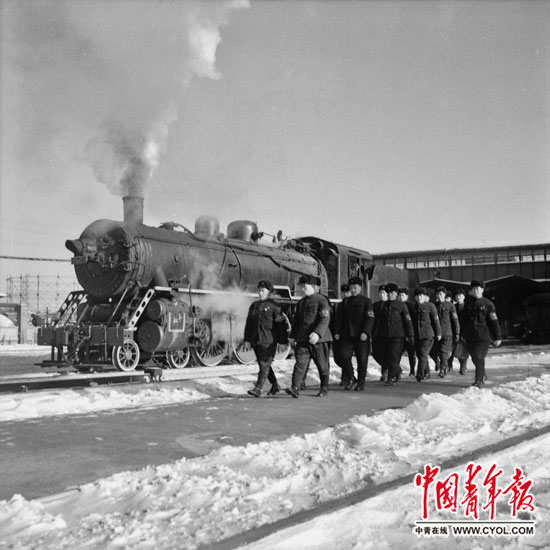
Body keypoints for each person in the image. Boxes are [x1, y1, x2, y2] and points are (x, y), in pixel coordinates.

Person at [286, 274, 332, 397]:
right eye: (301, 286)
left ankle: (324, 387)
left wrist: (317, 333)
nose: (302, 289)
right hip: (303, 339)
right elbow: (296, 322)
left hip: (319, 340)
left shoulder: (322, 300)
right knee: (300, 364)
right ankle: (295, 387)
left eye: (304, 287)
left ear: (312, 286)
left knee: (322, 365)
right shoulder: (301, 302)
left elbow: (325, 319)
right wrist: (293, 336)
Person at [243, 280, 288, 397]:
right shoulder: (254, 306)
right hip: (256, 340)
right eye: (259, 290)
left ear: (269, 292)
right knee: (264, 365)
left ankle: (258, 388)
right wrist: (247, 340)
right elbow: (248, 324)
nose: (260, 293)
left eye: (262, 291)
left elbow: (281, 326)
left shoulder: (275, 307)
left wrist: (283, 342)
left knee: (264, 364)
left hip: (269, 341)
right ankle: (275, 385)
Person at [334, 276, 375, 391]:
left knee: (362, 360)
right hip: (347, 335)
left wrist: (366, 332)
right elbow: (339, 319)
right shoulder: (345, 302)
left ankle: (361, 383)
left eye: (355, 288)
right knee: (343, 355)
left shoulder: (366, 301)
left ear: (360, 288)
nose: (352, 290)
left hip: (361, 336)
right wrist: (337, 331)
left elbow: (370, 318)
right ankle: (351, 377)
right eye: (351, 288)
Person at [463, 280, 502, 387]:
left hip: (483, 336)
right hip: (470, 336)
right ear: (471, 290)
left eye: (478, 289)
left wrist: (497, 337)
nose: (476, 291)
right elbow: (464, 320)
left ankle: (478, 380)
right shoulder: (467, 303)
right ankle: (483, 375)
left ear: (482, 290)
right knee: (474, 358)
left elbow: (494, 321)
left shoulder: (488, 304)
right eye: (474, 289)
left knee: (478, 356)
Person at [376, 283, 414, 385]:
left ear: (396, 293)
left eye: (392, 293)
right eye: (388, 293)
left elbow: (408, 321)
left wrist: (410, 335)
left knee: (393, 356)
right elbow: (379, 321)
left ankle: (391, 377)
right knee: (386, 357)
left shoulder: (401, 305)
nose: (389, 295)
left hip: (397, 336)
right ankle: (397, 372)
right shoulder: (383, 305)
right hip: (384, 335)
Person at [411, 287, 442, 382]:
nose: (419, 298)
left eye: (421, 295)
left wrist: (439, 333)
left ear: (425, 297)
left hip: (428, 335)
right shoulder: (414, 307)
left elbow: (436, 321)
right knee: (420, 354)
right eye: (417, 296)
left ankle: (419, 374)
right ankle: (427, 372)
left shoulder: (430, 306)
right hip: (417, 335)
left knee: (423, 354)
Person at [429, 286, 460, 378]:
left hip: (447, 333)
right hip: (435, 333)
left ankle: (443, 369)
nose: (439, 296)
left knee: (443, 352)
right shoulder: (433, 305)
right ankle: (437, 363)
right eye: (437, 294)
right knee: (433, 351)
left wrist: (457, 333)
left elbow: (455, 320)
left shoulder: (450, 306)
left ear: (445, 295)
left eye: (441, 294)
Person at [333, 284, 352, 386]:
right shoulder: (339, 305)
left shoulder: (353, 304)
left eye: (347, 292)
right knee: (340, 357)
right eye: (343, 292)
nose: (345, 294)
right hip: (340, 334)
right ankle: (349, 376)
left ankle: (347, 377)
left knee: (346, 356)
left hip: (350, 335)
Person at [448, 288, 469, 374]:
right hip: (453, 331)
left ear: (464, 296)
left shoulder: (468, 307)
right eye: (457, 295)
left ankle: (463, 367)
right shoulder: (453, 307)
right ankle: (449, 366)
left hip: (464, 330)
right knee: (450, 349)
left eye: (460, 295)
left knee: (462, 350)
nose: (458, 297)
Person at [398, 287, 417, 377]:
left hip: (409, 333)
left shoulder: (411, 306)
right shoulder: (396, 305)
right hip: (399, 334)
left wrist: (411, 334)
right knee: (397, 353)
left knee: (411, 353)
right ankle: (397, 369)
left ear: (407, 296)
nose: (401, 297)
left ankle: (412, 370)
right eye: (399, 295)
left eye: (403, 295)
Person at [372, 284, 388, 379]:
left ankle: (385, 373)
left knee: (385, 353)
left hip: (387, 333)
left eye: (384, 293)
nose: (382, 295)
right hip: (376, 333)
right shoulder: (375, 305)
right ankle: (390, 367)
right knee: (375, 353)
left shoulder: (390, 304)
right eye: (381, 293)